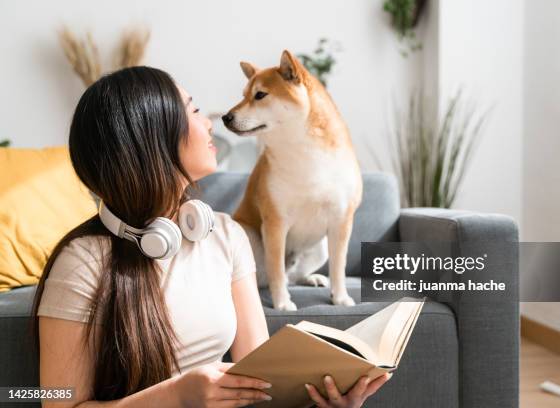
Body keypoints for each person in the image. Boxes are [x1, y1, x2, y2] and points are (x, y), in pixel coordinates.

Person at [32, 66, 390, 407]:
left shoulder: (226, 236)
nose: (209, 124)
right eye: (195, 110)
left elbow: (264, 384)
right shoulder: (82, 263)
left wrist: (330, 402)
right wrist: (175, 398)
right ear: (151, 138)